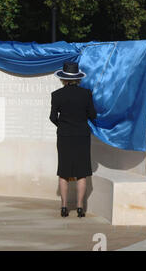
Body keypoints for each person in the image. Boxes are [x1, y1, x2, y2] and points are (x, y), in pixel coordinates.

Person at [49, 61, 97, 218]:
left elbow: (52, 117)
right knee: (81, 173)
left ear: (63, 78)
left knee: (64, 172)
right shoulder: (86, 94)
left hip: (64, 136)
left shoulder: (56, 95)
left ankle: (63, 207)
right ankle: (80, 207)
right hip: (82, 136)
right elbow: (93, 115)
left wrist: (62, 125)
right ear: (78, 78)